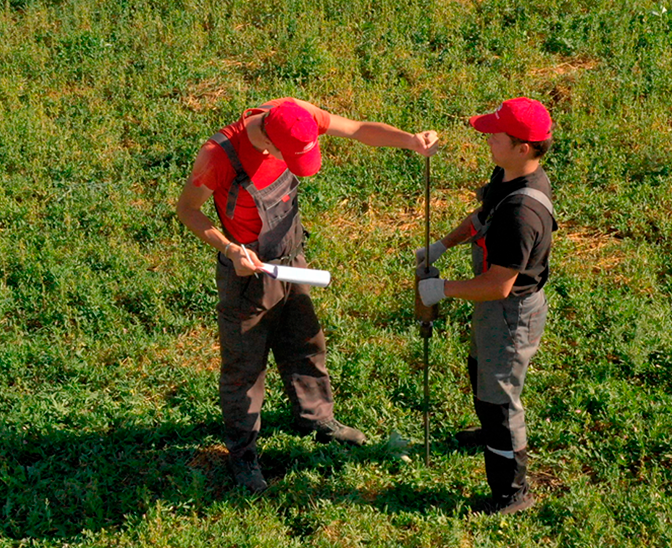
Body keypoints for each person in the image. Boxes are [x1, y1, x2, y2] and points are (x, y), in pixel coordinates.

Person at [177, 97, 438, 493]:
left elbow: (359, 129)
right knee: (244, 368)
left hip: (292, 259)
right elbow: (188, 211)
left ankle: (315, 417)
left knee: (305, 341)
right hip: (248, 271)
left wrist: (411, 141)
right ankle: (244, 455)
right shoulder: (218, 156)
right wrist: (231, 250)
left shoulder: (295, 114)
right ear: (272, 145)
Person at [417, 97, 556, 515]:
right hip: (494, 308)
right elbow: (482, 218)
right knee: (481, 371)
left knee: (500, 400)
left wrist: (443, 289)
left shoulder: (523, 213)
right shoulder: (507, 177)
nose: (488, 138)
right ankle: (489, 433)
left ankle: (512, 492)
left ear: (523, 147)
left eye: (497, 135)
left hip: (511, 313)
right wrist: (443, 244)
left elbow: (498, 285)